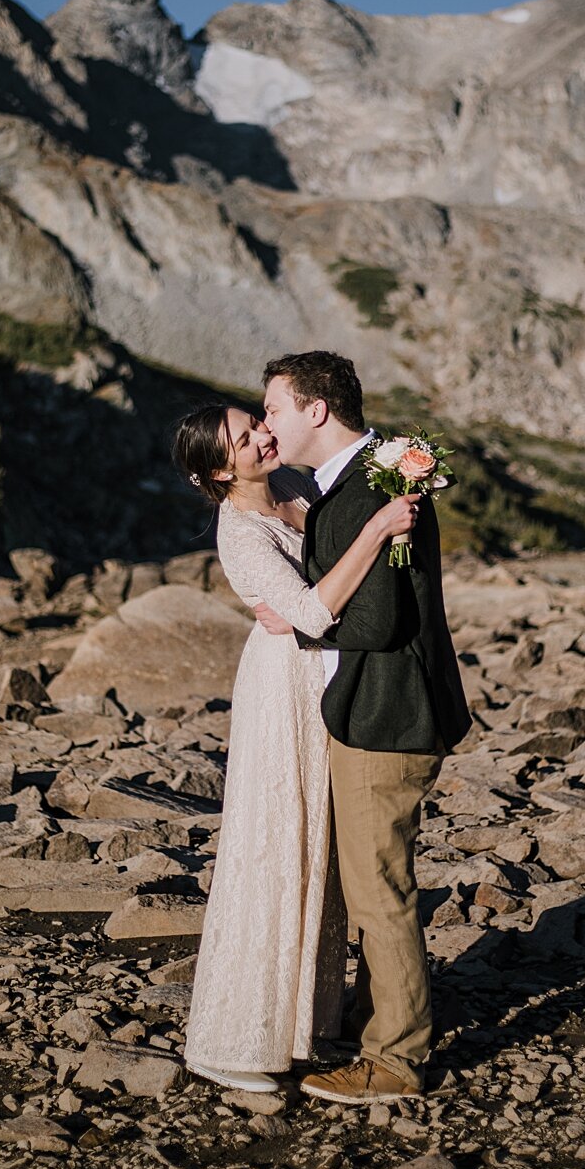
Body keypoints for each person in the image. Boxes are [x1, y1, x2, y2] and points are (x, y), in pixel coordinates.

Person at [173, 401, 420, 1094]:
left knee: (319, 848)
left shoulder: (296, 491)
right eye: (244, 438)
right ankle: (238, 1039)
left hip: (321, 677)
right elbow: (310, 612)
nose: (263, 435)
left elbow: (318, 595)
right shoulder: (240, 532)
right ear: (220, 469)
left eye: (257, 421)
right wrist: (377, 529)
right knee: (277, 845)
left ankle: (302, 1023)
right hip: (282, 689)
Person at [258, 352, 471, 1105]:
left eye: (276, 409)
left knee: (380, 890)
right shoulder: (372, 478)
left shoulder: (364, 493)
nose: (267, 424)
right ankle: (374, 1016)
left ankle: (395, 1060)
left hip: (386, 714)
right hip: (399, 705)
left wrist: (298, 623)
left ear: (317, 410)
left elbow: (377, 621)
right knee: (377, 879)